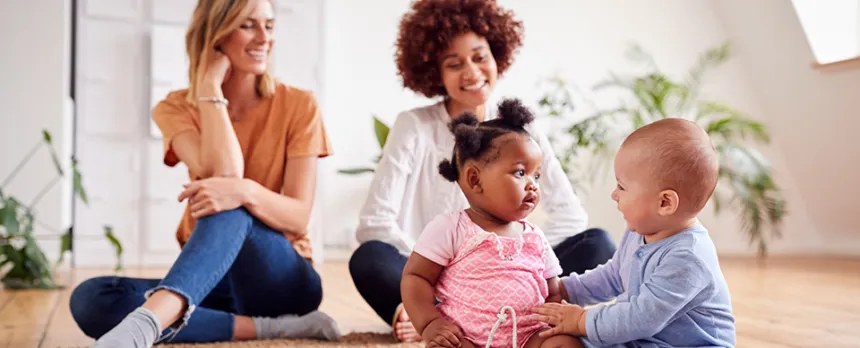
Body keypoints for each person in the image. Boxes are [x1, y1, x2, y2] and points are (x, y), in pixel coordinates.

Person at [68, 0, 340, 346]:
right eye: (248, 25)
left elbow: (297, 216)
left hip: (281, 280)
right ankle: (273, 329)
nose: (264, 38)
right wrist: (209, 87)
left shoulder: (300, 105)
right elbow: (225, 172)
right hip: (215, 279)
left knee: (228, 201)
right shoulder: (176, 107)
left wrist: (244, 192)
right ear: (215, 35)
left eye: (269, 26)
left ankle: (145, 326)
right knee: (92, 298)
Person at [348, 0, 616, 342]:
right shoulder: (413, 126)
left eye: (479, 57)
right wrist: (448, 266)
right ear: (435, 72)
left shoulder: (520, 130)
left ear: (497, 55)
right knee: (369, 258)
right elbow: (375, 224)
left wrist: (507, 261)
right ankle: (424, 315)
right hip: (432, 272)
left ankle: (497, 314)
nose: (471, 72)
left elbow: (571, 218)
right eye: (454, 63)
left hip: (516, 275)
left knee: (597, 243)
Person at [531, 118, 737, 347]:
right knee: (557, 342)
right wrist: (566, 290)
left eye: (622, 187)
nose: (614, 194)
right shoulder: (640, 232)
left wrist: (580, 319)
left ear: (665, 203)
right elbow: (613, 276)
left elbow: (641, 318)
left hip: (685, 343)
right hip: (641, 339)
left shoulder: (689, 257)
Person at [401, 99, 583, 348]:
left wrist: (560, 319)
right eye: (520, 172)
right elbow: (416, 277)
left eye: (536, 175)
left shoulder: (534, 237)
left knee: (565, 342)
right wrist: (429, 323)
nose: (533, 184)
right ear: (475, 180)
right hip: (467, 338)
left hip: (529, 337)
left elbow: (552, 291)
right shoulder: (450, 228)